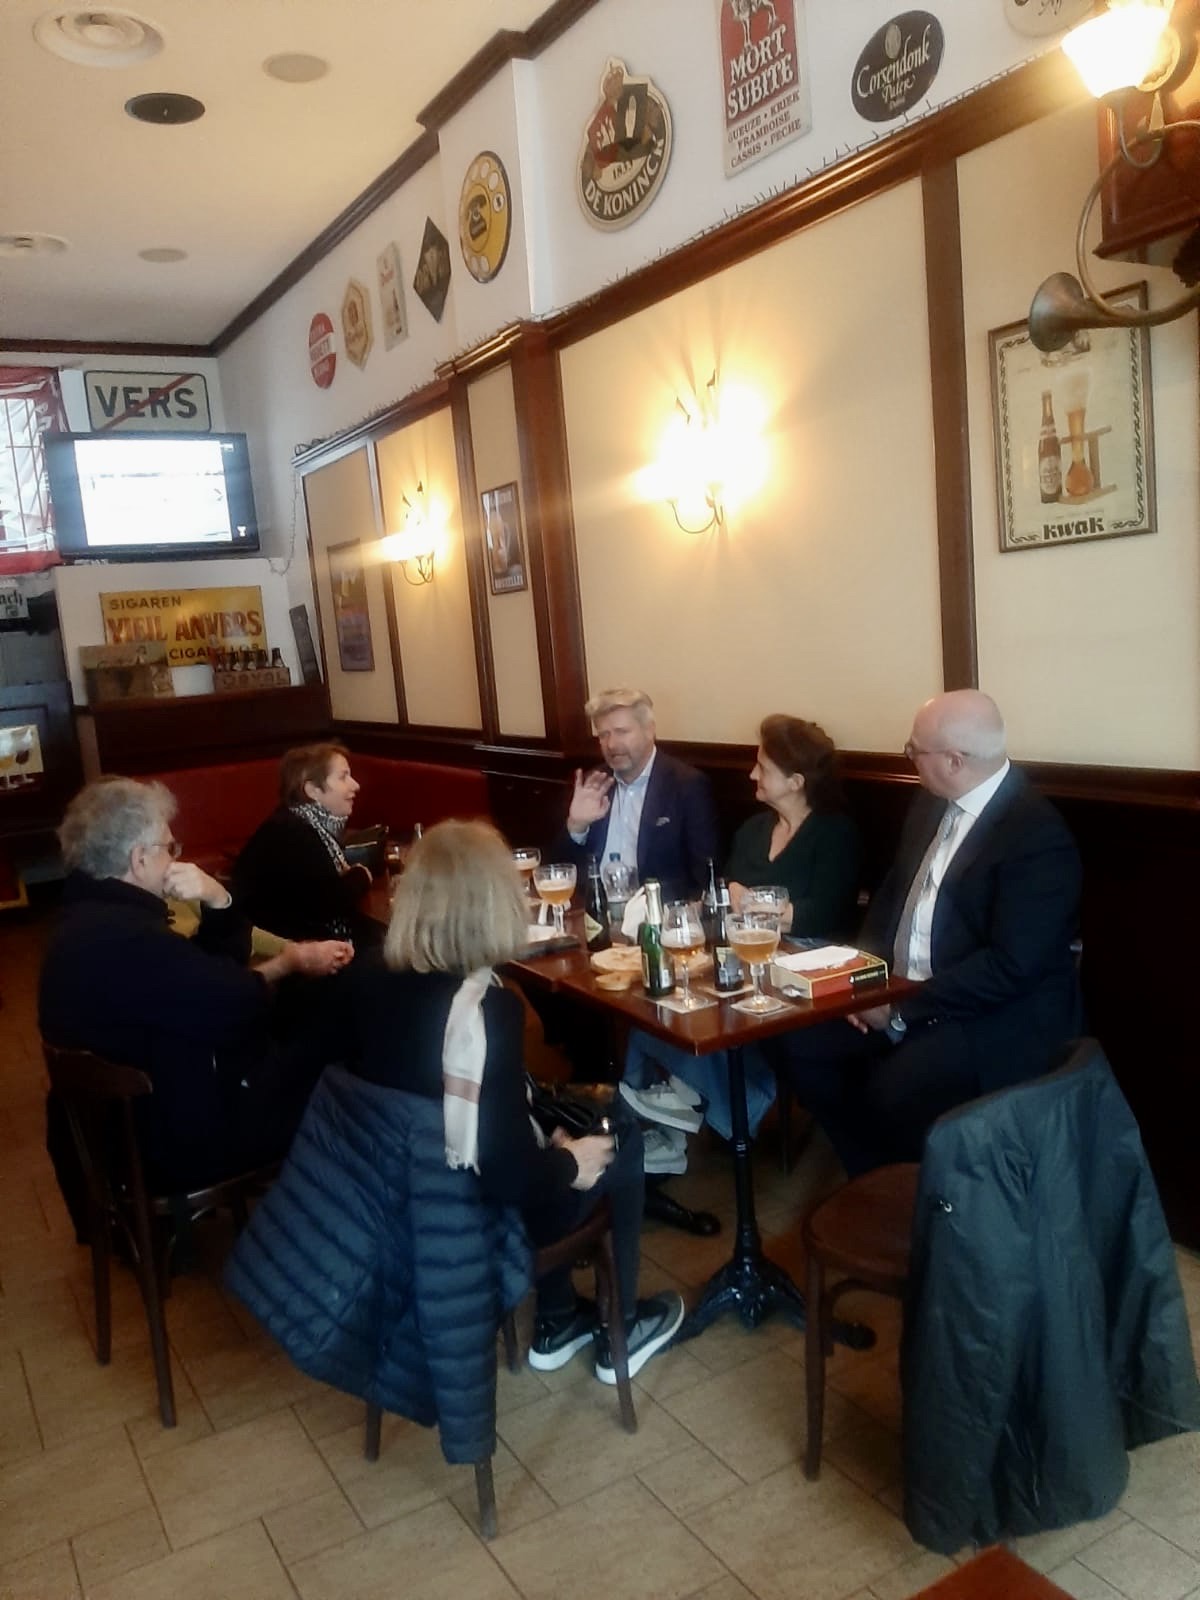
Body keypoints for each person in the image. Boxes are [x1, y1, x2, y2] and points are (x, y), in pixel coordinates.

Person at [342, 818, 685, 1382]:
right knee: (618, 1137)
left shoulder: (367, 976)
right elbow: (506, 1176)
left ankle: (558, 1320)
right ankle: (619, 1333)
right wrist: (569, 1162)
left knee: (555, 1120)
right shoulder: (484, 1010)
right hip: (469, 1216)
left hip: (394, 1197)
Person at [774, 689, 1083, 1175]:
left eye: (914, 750)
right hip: (902, 990)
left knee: (894, 1091)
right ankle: (877, 1176)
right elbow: (891, 897)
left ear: (955, 761)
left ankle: (917, 1188)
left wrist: (901, 1007)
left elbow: (1010, 966)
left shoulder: (1036, 836)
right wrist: (864, 982)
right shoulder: (930, 801)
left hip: (988, 1014)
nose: (910, 757)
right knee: (797, 1045)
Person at [40, 777, 351, 1205]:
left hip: (116, 1143)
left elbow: (207, 976)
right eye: (170, 848)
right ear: (139, 859)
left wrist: (217, 899)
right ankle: (315, 1219)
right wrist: (288, 963)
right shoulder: (131, 939)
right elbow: (240, 1006)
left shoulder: (80, 921)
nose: (176, 858)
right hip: (169, 1149)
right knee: (334, 1071)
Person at [622, 716, 864, 1193]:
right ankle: (660, 1115)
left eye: (763, 767)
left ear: (795, 781)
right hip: (742, 948)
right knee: (660, 995)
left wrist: (752, 903)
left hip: (809, 960)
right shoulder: (754, 829)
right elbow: (725, 891)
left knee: (720, 1004)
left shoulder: (836, 833)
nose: (752, 774)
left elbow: (821, 914)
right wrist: (759, 906)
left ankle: (695, 1104)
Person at [555, 687, 718, 901]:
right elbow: (559, 870)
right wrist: (576, 827)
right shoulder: (593, 784)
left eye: (622, 732)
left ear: (649, 730)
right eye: (604, 735)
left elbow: (704, 875)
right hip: (593, 909)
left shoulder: (686, 785)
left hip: (656, 911)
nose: (612, 744)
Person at [232, 743, 380, 947]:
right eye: (343, 777)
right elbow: (329, 904)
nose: (355, 785)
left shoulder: (295, 820)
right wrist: (362, 875)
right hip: (289, 951)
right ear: (312, 791)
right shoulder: (293, 834)